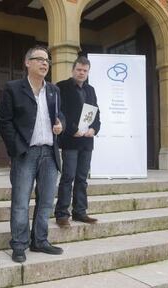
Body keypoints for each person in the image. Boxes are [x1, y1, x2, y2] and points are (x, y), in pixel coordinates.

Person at [0, 46, 65, 263]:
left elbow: (60, 115)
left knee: (46, 201)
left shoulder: (54, 90)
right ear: (28, 63)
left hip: (50, 153)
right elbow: (4, 121)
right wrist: (17, 149)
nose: (45, 63)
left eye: (47, 60)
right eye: (40, 59)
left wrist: (61, 124)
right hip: (26, 152)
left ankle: (40, 240)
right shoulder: (14, 88)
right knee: (20, 201)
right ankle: (19, 244)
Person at [54, 56, 101, 228]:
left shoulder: (91, 90)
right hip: (70, 140)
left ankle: (80, 212)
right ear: (73, 70)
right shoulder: (61, 87)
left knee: (82, 178)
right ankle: (61, 214)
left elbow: (96, 113)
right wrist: (73, 129)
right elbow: (60, 112)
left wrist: (94, 129)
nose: (81, 73)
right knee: (68, 177)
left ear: (88, 72)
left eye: (85, 70)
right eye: (79, 70)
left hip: (87, 142)